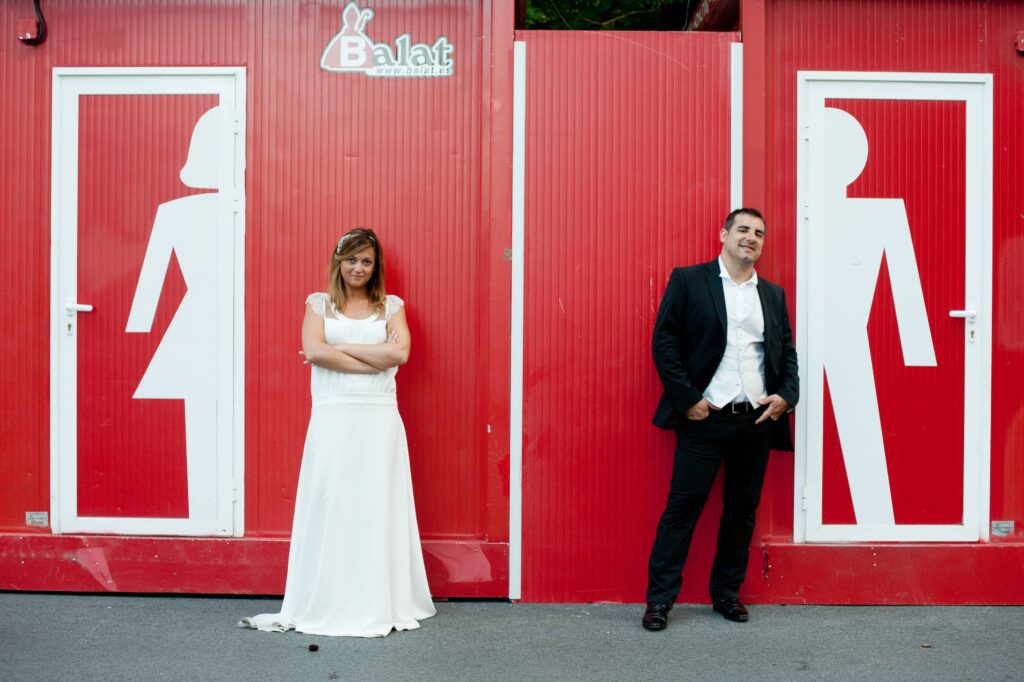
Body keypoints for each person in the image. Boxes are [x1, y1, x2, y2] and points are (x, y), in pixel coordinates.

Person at [241, 227, 436, 637]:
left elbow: (400, 353)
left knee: (375, 499)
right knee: (332, 498)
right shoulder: (320, 305)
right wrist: (375, 357)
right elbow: (314, 350)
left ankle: (378, 597)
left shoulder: (391, 306)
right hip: (333, 415)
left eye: (366, 261)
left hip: (378, 417)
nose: (359, 268)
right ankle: (329, 595)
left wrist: (341, 350)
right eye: (351, 260)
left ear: (375, 265)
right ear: (338, 262)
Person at [642, 208, 798, 631]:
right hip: (705, 417)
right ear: (724, 234)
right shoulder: (690, 280)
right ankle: (659, 601)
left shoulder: (773, 295)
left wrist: (787, 396)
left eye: (759, 234)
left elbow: (786, 350)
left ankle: (727, 594)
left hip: (755, 421)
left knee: (741, 512)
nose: (752, 238)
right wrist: (687, 399)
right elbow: (665, 341)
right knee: (682, 508)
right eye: (744, 230)